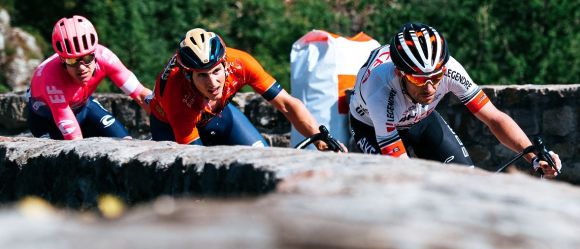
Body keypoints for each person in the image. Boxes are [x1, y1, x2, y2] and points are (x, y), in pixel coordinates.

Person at [349, 22, 561, 177]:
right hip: (370, 127)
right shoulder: (379, 88)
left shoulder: (450, 69)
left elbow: (494, 118)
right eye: (419, 79)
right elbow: (401, 167)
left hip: (421, 120)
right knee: (397, 188)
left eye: (436, 77)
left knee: (465, 178)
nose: (430, 87)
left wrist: (533, 156)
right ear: (399, 73)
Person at [149, 28, 338, 149]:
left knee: (262, 159)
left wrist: (319, 137)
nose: (213, 83)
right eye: (202, 75)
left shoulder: (240, 63)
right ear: (189, 75)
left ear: (224, 64)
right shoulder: (177, 94)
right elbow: (194, 160)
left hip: (219, 116)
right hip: (171, 127)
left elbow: (287, 104)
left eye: (216, 71)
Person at [27, 15, 152, 140]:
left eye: (87, 58)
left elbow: (141, 95)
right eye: (72, 61)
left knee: (126, 142)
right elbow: (74, 139)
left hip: (83, 106)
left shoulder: (105, 57)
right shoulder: (50, 78)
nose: (81, 68)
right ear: (62, 60)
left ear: (95, 54)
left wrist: (166, 120)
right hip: (49, 121)